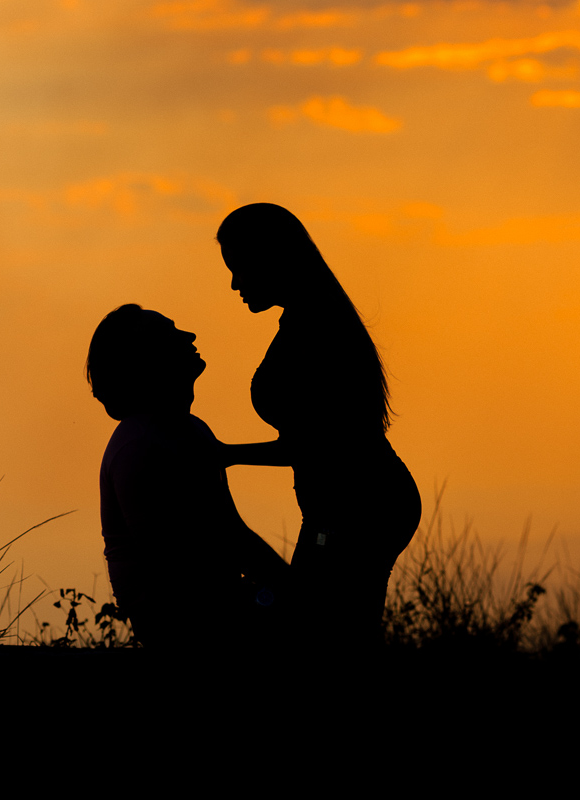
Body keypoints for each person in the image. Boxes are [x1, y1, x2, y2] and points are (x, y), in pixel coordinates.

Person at [214, 203, 421, 651]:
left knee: (316, 636)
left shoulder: (316, 324)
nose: (234, 283)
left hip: (358, 509)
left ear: (269, 259)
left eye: (239, 268)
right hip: (352, 507)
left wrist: (224, 454)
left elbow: (316, 444)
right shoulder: (310, 318)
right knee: (329, 633)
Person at [87, 304, 289, 650]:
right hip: (187, 629)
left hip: (213, 611)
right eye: (170, 332)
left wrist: (290, 589)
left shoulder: (188, 431)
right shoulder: (139, 446)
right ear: (147, 359)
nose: (189, 336)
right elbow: (171, 566)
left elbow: (232, 533)